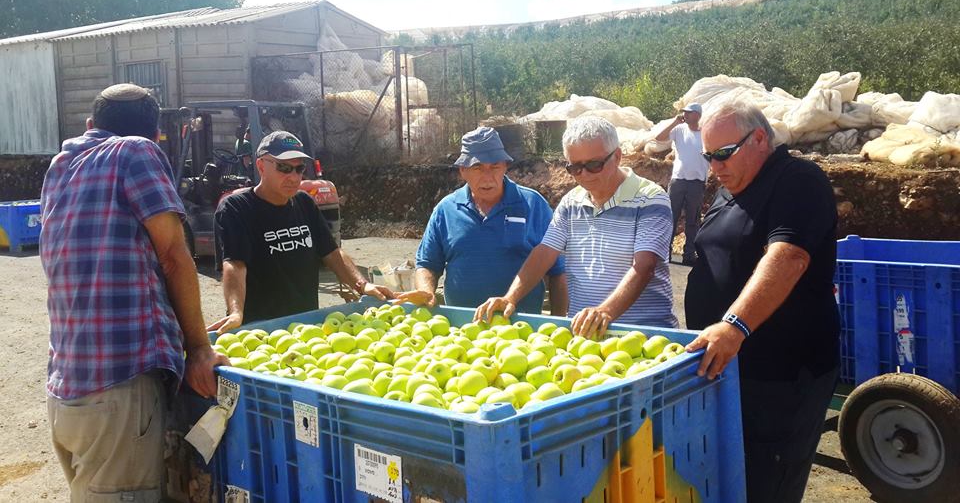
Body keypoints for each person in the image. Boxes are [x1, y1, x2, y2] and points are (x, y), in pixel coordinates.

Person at [40, 83, 227, 501]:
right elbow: (176, 255)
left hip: (68, 389)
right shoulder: (136, 151)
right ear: (156, 134)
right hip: (118, 390)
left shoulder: (61, 164)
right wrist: (199, 348)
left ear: (90, 126)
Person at [683, 100, 840, 503]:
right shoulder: (732, 187)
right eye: (708, 156)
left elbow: (788, 257)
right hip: (731, 368)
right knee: (734, 481)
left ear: (758, 139)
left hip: (780, 377)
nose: (714, 166)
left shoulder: (797, 180)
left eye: (723, 153)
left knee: (768, 483)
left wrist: (734, 325)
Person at [476, 116, 676, 336]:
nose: (585, 175)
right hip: (585, 334)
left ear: (617, 156)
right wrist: (510, 298)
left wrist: (605, 312)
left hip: (642, 335)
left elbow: (644, 267)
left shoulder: (650, 199)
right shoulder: (572, 202)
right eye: (575, 168)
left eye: (594, 165)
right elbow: (544, 253)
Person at [208, 131, 394, 332]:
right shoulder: (236, 209)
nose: (294, 177)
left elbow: (332, 252)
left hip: (306, 327)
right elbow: (235, 265)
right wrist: (236, 312)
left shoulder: (304, 203)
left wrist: (362, 285)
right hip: (261, 331)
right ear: (261, 166)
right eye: (284, 167)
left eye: (299, 169)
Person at [396, 127, 567, 315]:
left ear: (505, 166)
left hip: (522, 330)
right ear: (463, 171)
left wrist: (558, 322)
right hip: (460, 330)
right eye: (477, 168)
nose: (487, 177)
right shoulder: (446, 210)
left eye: (494, 167)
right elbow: (428, 264)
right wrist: (427, 292)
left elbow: (557, 271)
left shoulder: (533, 205)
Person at [656, 102, 708, 265]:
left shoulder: (705, 134)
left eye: (689, 112)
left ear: (697, 116)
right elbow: (659, 138)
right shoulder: (678, 130)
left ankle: (689, 254)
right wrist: (674, 122)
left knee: (692, 220)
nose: (685, 115)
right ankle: (666, 252)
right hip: (678, 180)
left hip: (697, 182)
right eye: (684, 112)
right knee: (671, 216)